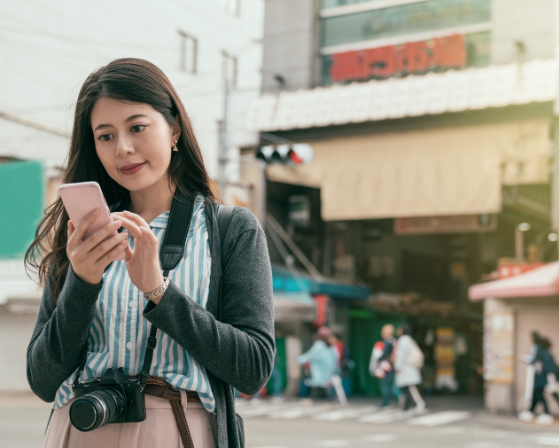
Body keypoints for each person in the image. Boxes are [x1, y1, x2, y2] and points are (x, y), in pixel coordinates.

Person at [25, 58, 275, 448]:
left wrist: (159, 292)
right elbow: (42, 380)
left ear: (174, 129)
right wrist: (83, 282)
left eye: (137, 127)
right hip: (80, 425)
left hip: (176, 427)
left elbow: (253, 368)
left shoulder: (230, 229)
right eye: (105, 136)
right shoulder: (84, 233)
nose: (123, 148)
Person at [298, 327, 338, 401]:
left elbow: (336, 358)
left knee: (322, 384)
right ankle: (313, 399)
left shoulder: (328, 346)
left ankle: (329, 399)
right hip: (321, 369)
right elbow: (310, 354)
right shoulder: (322, 345)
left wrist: (299, 359)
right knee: (318, 384)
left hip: (325, 370)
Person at [519, 332, 551, 423]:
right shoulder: (539, 347)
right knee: (537, 393)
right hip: (538, 374)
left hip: (539, 374)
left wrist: (524, 358)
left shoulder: (537, 346)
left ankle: (546, 413)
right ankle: (531, 411)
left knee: (539, 393)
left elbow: (533, 360)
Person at [394, 324, 425, 413]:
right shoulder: (409, 339)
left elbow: (401, 355)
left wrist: (397, 366)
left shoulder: (403, 340)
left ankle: (417, 403)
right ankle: (407, 407)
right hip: (409, 368)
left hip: (406, 368)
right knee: (407, 387)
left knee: (407, 388)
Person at [369, 324, 397, 408]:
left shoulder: (388, 342)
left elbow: (384, 355)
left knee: (386, 385)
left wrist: (378, 360)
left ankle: (386, 402)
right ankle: (394, 399)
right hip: (390, 366)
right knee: (388, 385)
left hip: (386, 366)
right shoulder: (393, 341)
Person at [540, 338, 559, 419]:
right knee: (554, 394)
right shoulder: (549, 352)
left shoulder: (546, 353)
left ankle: (551, 412)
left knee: (553, 394)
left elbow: (548, 367)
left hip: (550, 377)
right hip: (551, 376)